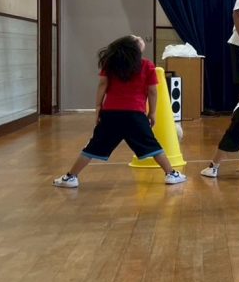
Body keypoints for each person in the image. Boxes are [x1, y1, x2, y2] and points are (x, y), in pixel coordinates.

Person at [53, 35, 187, 187]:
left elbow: (102, 84)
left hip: (111, 114)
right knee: (152, 145)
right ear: (135, 48)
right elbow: (152, 91)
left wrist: (98, 107)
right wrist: (152, 112)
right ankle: (171, 174)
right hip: (135, 115)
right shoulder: (147, 65)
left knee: (93, 146)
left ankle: (71, 177)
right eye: (136, 38)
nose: (139, 37)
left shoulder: (111, 64)